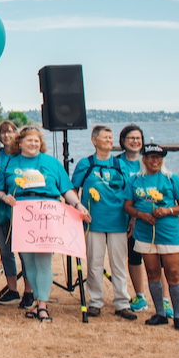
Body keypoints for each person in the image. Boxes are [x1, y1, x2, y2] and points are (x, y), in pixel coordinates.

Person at [0, 126, 91, 322]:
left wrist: (78, 204)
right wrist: (4, 197)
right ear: (20, 143)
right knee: (28, 262)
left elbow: (66, 189)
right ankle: (36, 300)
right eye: (29, 140)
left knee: (43, 261)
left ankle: (43, 305)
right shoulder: (10, 163)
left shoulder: (52, 163)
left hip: (47, 213)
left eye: (37, 141)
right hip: (22, 214)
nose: (33, 144)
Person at [73, 125, 137, 320]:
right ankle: (95, 301)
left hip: (118, 220)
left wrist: (132, 218)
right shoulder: (86, 164)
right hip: (94, 222)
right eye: (105, 137)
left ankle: (122, 302)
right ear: (94, 141)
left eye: (111, 137)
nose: (109, 141)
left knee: (118, 264)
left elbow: (130, 192)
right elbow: (73, 189)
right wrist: (77, 210)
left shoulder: (120, 164)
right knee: (94, 263)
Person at [126, 143, 179, 331]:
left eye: (159, 157)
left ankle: (177, 315)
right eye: (151, 157)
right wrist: (140, 214)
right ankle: (160, 313)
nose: (155, 160)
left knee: (172, 272)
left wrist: (168, 210)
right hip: (145, 232)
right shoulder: (135, 180)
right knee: (152, 272)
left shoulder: (171, 179)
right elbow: (127, 205)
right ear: (144, 159)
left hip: (168, 232)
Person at [0, 120, 24, 306]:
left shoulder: (22, 155)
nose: (7, 135)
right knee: (5, 251)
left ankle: (29, 291)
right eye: (3, 132)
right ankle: (12, 289)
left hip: (19, 208)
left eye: (10, 131)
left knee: (24, 252)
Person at [118, 124, 151, 313]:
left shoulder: (148, 162)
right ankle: (140, 296)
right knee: (133, 256)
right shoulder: (116, 163)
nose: (135, 141)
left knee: (156, 258)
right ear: (123, 141)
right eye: (131, 138)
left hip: (145, 217)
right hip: (122, 217)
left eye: (138, 138)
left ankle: (164, 299)